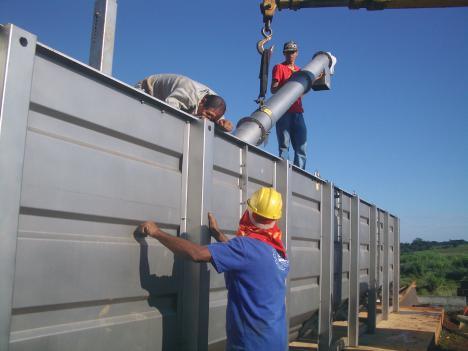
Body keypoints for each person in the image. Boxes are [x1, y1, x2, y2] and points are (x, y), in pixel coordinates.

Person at [137, 187, 289, 350]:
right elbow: (244, 258)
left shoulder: (245, 247)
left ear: (250, 212)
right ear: (275, 219)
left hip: (251, 345)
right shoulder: (277, 251)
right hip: (277, 342)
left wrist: (156, 232)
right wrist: (217, 234)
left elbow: (197, 254)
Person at [136, 73, 233, 132]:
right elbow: (170, 107)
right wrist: (196, 117)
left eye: (212, 118)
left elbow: (217, 120)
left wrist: (224, 126)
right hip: (147, 90)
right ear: (203, 101)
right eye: (207, 114)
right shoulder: (189, 93)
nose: (207, 119)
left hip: (164, 98)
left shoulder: (214, 108)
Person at [271, 41, 307, 169]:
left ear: (297, 53)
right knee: (284, 146)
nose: (290, 55)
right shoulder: (279, 67)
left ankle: (300, 173)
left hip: (297, 112)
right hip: (283, 111)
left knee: (301, 145)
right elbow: (273, 89)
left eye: (292, 52)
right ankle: (284, 172)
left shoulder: (300, 71)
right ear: (284, 53)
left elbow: (302, 93)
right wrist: (289, 84)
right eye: (288, 52)